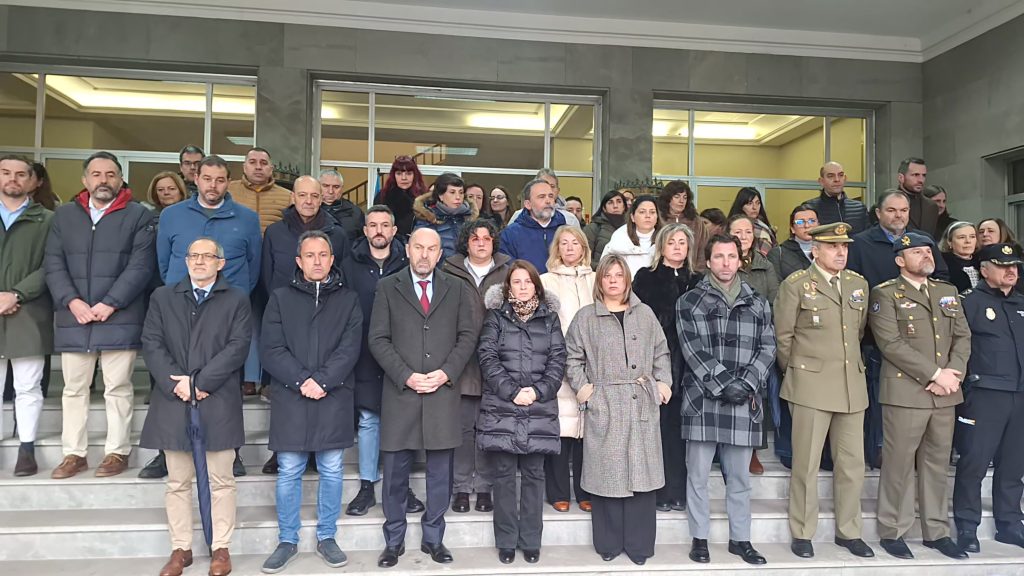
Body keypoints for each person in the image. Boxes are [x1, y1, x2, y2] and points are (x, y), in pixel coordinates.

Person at [368, 228, 480, 568]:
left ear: (439, 253)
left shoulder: (457, 288)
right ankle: (394, 541)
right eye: (419, 247)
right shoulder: (388, 286)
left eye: (432, 248)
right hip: (401, 392)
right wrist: (406, 375)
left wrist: (446, 372)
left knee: (439, 473)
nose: (425, 255)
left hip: (442, 392)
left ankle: (434, 538)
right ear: (408, 248)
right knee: (395, 474)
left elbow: (467, 335)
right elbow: (378, 339)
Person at [139, 237, 251, 576]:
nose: (199, 261)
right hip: (174, 398)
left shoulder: (237, 299)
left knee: (222, 479)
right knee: (177, 480)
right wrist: (178, 384)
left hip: (216, 398)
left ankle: (220, 548)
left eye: (208, 256)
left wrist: (200, 383)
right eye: (193, 255)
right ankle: (181, 548)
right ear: (185, 261)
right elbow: (152, 342)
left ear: (221, 263)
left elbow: (237, 347)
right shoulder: (163, 297)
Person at [45, 151, 156, 480]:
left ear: (121, 179)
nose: (103, 180)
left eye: (110, 174)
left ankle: (116, 451)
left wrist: (111, 302)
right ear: (85, 180)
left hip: (118, 316)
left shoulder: (139, 215)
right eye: (96, 174)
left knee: (118, 388)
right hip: (74, 317)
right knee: (73, 389)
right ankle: (74, 454)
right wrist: (72, 301)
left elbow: (141, 266)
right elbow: (53, 263)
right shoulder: (64, 216)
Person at [152, 155, 261, 479]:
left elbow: (253, 267)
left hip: (226, 310)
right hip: (179, 308)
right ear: (195, 178)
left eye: (220, 180)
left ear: (229, 182)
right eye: (207, 178)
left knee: (225, 382)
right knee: (174, 379)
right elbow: (162, 261)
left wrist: (232, 297)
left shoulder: (247, 218)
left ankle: (232, 451)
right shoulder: (172, 216)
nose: (213, 186)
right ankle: (166, 451)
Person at [259, 231, 363, 573]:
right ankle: (287, 539)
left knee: (332, 469)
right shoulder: (280, 298)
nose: (317, 261)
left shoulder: (348, 300)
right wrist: (303, 380)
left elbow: (350, 348)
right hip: (292, 395)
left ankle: (327, 536)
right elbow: (271, 348)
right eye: (310, 255)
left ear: (332, 260)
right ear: (299, 261)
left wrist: (322, 380)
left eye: (323, 255)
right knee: (289, 470)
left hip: (333, 396)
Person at [868, 231, 971, 561]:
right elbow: (891, 344)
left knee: (937, 465)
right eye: (917, 253)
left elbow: (962, 337)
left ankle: (936, 531)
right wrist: (935, 374)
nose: (926, 256)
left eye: (928, 251)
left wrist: (952, 375)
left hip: (945, 394)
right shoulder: (885, 294)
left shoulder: (947, 291)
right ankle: (892, 530)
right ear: (900, 260)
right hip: (906, 392)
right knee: (898, 465)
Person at [774, 222, 874, 560]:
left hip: (850, 386)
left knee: (852, 465)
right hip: (810, 385)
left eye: (844, 246)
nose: (841, 252)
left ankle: (849, 531)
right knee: (806, 465)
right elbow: (783, 338)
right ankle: (803, 531)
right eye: (833, 246)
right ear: (815, 250)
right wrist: (800, 372)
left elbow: (856, 333)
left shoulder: (858, 284)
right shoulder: (797, 285)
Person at [564, 254, 672, 565]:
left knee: (642, 474)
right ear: (600, 281)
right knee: (607, 475)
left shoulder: (645, 314)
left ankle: (639, 545)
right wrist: (586, 392)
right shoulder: (586, 318)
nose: (613, 280)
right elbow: (572, 358)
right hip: (605, 402)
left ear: (627, 280)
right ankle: (608, 543)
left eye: (619, 275)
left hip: (641, 401)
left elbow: (661, 352)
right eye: (607, 275)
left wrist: (663, 385)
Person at [676, 234, 774, 566]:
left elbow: (768, 347)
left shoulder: (759, 302)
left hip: (744, 400)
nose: (726, 262)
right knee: (698, 475)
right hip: (702, 400)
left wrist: (745, 383)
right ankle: (699, 538)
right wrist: (722, 383)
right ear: (708, 261)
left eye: (731, 256)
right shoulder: (689, 301)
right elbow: (692, 349)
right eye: (719, 256)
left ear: (740, 259)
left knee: (740, 478)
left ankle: (740, 539)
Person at [847, 190, 948, 468]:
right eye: (891, 210)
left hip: (924, 338)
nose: (898, 215)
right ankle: (877, 451)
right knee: (882, 401)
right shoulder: (860, 243)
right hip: (876, 337)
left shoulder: (922, 241)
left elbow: (941, 279)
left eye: (903, 210)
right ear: (878, 213)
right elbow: (854, 286)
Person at [258, 175, 353, 471]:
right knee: (288, 389)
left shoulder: (336, 233)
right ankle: (284, 449)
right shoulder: (275, 232)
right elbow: (266, 276)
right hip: (287, 318)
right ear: (293, 197)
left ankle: (316, 450)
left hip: (326, 315)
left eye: (315, 195)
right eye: (303, 195)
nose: (309, 201)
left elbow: (343, 274)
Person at [477, 260, 565, 564]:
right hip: (502, 406)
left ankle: (530, 540)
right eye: (517, 282)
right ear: (508, 286)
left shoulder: (550, 319)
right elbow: (487, 357)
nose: (523, 286)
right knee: (502, 476)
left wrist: (537, 391)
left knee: (533, 475)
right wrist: (512, 391)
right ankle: (505, 540)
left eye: (528, 281)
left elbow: (558, 360)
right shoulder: (496, 318)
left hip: (538, 407)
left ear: (536, 286)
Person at [339, 206, 425, 517]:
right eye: (372, 225)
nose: (378, 230)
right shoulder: (349, 264)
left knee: (400, 421)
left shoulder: (408, 263)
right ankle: (366, 486)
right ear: (364, 230)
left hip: (402, 354)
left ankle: (401, 485)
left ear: (393, 231)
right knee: (369, 420)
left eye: (385, 225)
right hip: (362, 352)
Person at [953, 243, 1024, 554]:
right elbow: (959, 349)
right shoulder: (970, 303)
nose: (1011, 271)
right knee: (974, 463)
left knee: (1013, 465)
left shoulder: (1022, 302)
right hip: (984, 394)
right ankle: (967, 527)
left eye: (1015, 266)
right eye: (1003, 265)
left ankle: (1010, 524)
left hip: (1020, 394)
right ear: (984, 270)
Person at [442, 219, 510, 514]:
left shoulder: (509, 271)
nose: (481, 243)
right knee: (463, 429)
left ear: (494, 242)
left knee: (489, 429)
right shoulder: (448, 270)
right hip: (461, 361)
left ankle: (484, 488)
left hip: (499, 362)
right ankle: (460, 488)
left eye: (486, 238)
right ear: (465, 243)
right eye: (474, 238)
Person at [633, 223, 701, 513]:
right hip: (655, 363)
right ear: (661, 245)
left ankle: (679, 490)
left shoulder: (698, 280)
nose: (677, 247)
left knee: (681, 431)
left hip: (691, 365)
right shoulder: (645, 278)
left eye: (682, 242)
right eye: (671, 241)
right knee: (657, 429)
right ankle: (659, 491)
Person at [0, 155, 54, 476]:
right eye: (6, 173)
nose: (13, 180)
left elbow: (52, 266)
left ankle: (27, 448)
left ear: (33, 181)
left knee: (28, 385)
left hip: (30, 310)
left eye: (21, 175)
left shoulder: (47, 220)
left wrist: (15, 294)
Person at [539, 226, 594, 513]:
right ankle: (558, 491)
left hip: (594, 365)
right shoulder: (545, 281)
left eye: (575, 243)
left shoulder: (597, 279)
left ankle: (586, 491)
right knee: (561, 427)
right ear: (557, 249)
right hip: (558, 362)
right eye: (564, 243)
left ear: (584, 248)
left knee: (588, 430)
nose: (570, 248)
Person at [499, 178, 568, 274]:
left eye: (551, 196)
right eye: (541, 197)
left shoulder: (566, 231)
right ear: (528, 204)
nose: (548, 201)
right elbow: (507, 270)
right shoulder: (510, 235)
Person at [413, 172, 476, 261]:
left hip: (466, 272)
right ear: (440, 196)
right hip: (440, 271)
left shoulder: (470, 219)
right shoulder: (427, 219)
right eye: (452, 192)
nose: (458, 197)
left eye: (461, 192)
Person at [227, 147, 292, 233]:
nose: (258, 167)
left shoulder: (287, 196)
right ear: (244, 167)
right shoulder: (228, 190)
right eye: (252, 162)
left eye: (263, 163)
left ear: (271, 169)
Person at [602, 195, 661, 278]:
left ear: (657, 217)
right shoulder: (619, 239)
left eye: (652, 212)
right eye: (642, 212)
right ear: (632, 217)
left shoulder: (666, 239)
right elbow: (604, 270)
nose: (648, 216)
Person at [656, 180, 710, 270]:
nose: (681, 201)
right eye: (677, 197)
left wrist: (699, 271)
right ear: (668, 199)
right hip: (662, 272)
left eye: (685, 197)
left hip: (692, 272)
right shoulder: (658, 218)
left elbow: (703, 248)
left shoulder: (696, 221)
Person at [805, 161, 869, 234]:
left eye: (840, 175)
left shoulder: (859, 208)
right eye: (830, 176)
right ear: (821, 181)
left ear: (845, 179)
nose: (837, 179)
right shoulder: (809, 208)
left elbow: (868, 238)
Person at [373, 155, 426, 237]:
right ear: (393, 175)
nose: (404, 178)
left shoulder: (424, 197)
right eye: (399, 173)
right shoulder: (383, 196)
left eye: (408, 173)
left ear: (415, 175)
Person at [510, 168, 581, 228]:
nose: (548, 189)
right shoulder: (519, 215)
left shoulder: (570, 219)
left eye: (552, 186)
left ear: (558, 190)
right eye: (543, 185)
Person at [768, 204, 818, 282]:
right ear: (792, 228)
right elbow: (775, 287)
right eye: (800, 222)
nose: (807, 225)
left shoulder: (829, 251)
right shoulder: (777, 254)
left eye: (811, 221)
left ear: (819, 225)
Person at [896, 156, 941, 239]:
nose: (921, 180)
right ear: (901, 178)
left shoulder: (932, 206)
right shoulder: (885, 205)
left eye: (923, 175)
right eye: (915, 175)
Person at [582, 190, 626, 268]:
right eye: (610, 202)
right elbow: (584, 258)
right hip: (600, 275)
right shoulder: (593, 228)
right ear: (604, 208)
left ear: (624, 206)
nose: (615, 206)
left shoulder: (632, 228)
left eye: (619, 202)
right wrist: (602, 268)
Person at [319, 169, 365, 242]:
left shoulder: (355, 213)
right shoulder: (309, 210)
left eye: (336, 187)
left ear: (342, 188)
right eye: (326, 186)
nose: (330, 191)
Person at [728, 187, 776, 256]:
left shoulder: (762, 230)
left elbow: (764, 259)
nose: (754, 207)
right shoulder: (730, 225)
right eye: (749, 203)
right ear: (741, 206)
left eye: (758, 203)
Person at [940, 221, 980, 293]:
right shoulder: (942, 264)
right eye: (961, 237)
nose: (968, 241)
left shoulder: (982, 262)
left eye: (972, 237)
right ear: (949, 242)